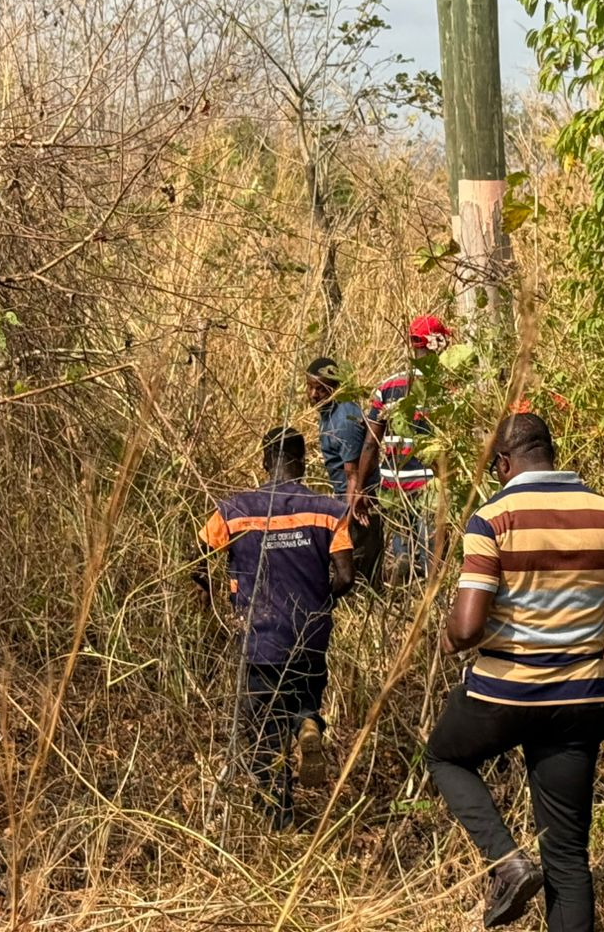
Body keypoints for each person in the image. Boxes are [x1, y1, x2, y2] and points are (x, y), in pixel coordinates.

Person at [425, 413, 604, 931]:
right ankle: (524, 868)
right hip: (580, 702)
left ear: (504, 463)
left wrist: (447, 636)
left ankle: (506, 863)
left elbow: (466, 628)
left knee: (444, 757)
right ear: (551, 451)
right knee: (568, 859)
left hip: (504, 696)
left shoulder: (493, 517)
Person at [195, 427, 354, 829]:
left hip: (260, 636)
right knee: (301, 698)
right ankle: (307, 722)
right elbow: (347, 577)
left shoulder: (234, 510)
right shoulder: (328, 510)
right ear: (303, 463)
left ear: (265, 462)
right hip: (311, 635)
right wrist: (322, 596)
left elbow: (194, 561)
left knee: (262, 732)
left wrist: (215, 600)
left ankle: (278, 818)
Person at [351, 314, 452, 583]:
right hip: (430, 485)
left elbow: (372, 442)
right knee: (433, 562)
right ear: (437, 343)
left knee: (403, 557)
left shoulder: (387, 387)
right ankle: (432, 614)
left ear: (412, 344)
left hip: (393, 485)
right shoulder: (445, 387)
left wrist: (361, 489)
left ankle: (403, 614)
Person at [305, 357, 384, 585]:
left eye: (320, 388)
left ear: (335, 386)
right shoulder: (328, 414)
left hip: (358, 506)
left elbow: (354, 476)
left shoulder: (343, 420)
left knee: (359, 576)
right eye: (309, 387)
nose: (313, 395)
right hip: (345, 500)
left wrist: (344, 525)